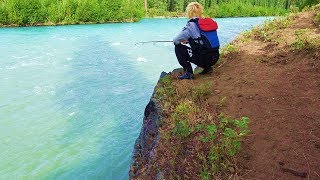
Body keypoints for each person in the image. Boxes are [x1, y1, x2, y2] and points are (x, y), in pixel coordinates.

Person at [173, 2, 220, 80]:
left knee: (178, 47)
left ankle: (188, 72)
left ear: (189, 12)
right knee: (204, 50)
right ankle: (207, 68)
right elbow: (203, 39)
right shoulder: (208, 23)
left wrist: (183, 40)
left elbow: (175, 40)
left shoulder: (191, 25)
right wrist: (188, 40)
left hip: (204, 60)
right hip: (215, 58)